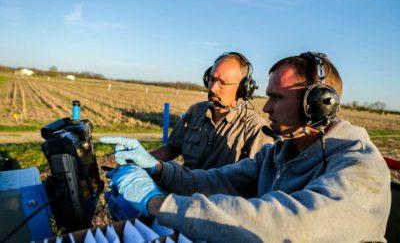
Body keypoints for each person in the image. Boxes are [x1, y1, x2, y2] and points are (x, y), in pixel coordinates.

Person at [103, 52, 391, 242]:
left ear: (316, 105)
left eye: (276, 98)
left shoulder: (360, 166)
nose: (266, 107)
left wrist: (157, 203)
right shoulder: (278, 153)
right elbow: (216, 179)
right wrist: (157, 169)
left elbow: (285, 225)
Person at [102, 52, 272, 170]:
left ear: (243, 88)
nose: (213, 88)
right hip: (180, 191)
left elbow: (255, 182)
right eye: (211, 79)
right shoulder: (196, 112)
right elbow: (171, 148)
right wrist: (138, 160)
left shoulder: (255, 129)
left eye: (223, 83)